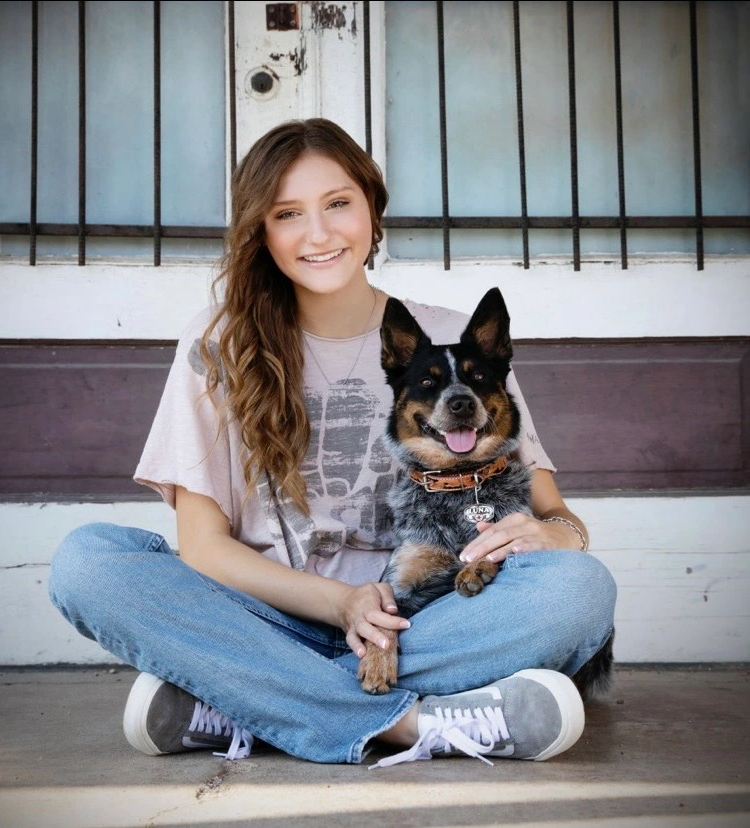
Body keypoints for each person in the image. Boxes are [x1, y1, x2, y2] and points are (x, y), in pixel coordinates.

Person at [49, 117, 616, 767]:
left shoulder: (454, 342)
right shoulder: (219, 345)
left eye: (338, 203)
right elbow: (203, 547)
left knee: (580, 591)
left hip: (426, 626)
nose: (317, 234)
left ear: (373, 209)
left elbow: (555, 514)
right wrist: (342, 603)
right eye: (288, 213)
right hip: (269, 622)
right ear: (262, 233)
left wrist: (560, 536)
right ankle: (410, 726)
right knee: (86, 563)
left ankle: (249, 705)